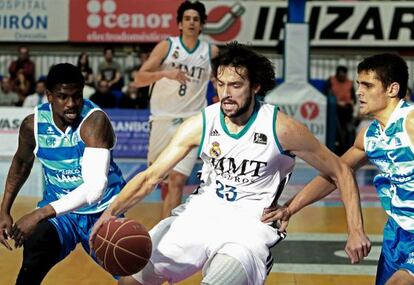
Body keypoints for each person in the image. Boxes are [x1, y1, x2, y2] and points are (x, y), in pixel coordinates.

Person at [89, 42, 370, 285]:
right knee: (130, 280)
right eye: (220, 84)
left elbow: (341, 170)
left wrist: (355, 229)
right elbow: (151, 177)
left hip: (248, 227)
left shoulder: (281, 128)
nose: (226, 93)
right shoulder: (202, 123)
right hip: (200, 214)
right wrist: (110, 213)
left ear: (255, 87)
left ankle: (254, 262)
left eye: (236, 85)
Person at [262, 53, 412, 285]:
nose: (359, 92)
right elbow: (336, 173)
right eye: (358, 84)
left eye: (367, 85)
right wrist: (290, 209)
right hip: (396, 233)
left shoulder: (410, 122)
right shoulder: (369, 136)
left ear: (392, 89)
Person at [0, 63, 126, 285]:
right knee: (36, 243)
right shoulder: (33, 125)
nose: (71, 104)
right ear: (49, 96)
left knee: (134, 278)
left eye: (77, 96)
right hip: (61, 214)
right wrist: (4, 210)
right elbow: (21, 163)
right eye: (63, 97)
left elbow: (94, 189)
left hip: (102, 212)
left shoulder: (95, 122)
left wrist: (38, 214)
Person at [134, 0, 219, 219]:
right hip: (163, 119)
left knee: (177, 180)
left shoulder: (211, 51)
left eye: (196, 19)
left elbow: (220, 80)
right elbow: (138, 78)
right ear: (180, 24)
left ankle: (166, 234)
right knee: (154, 176)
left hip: (191, 121)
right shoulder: (167, 46)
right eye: (187, 19)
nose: (191, 23)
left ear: (201, 25)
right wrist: (165, 73)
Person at [324, 65, 357, 155]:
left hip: (347, 112)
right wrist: (337, 103)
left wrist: (351, 102)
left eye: (344, 75)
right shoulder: (331, 81)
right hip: (335, 112)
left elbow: (354, 99)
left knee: (349, 132)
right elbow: (325, 96)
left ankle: (347, 151)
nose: (343, 77)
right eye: (341, 75)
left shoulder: (349, 83)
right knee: (337, 133)